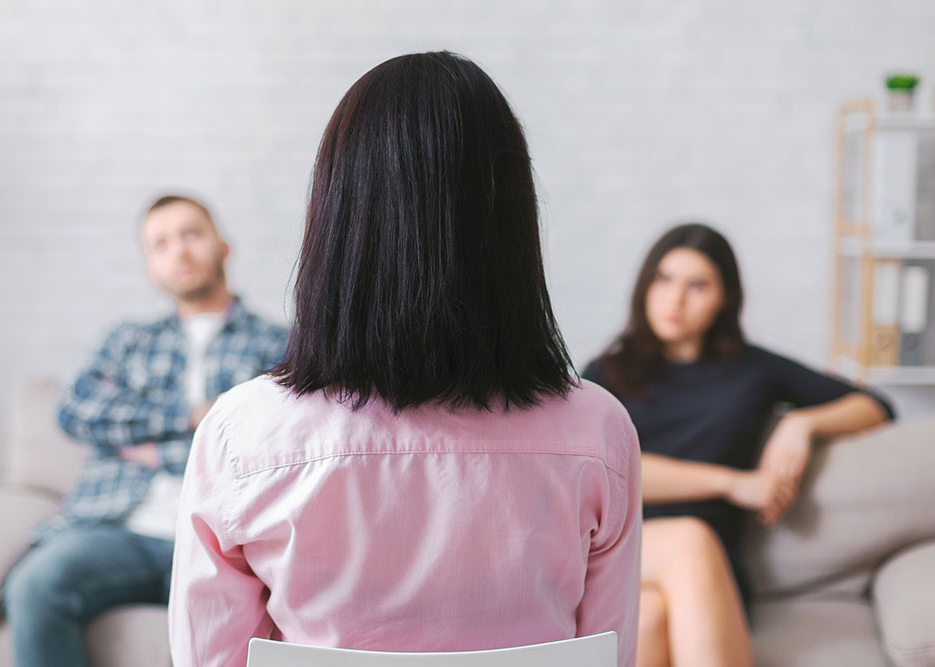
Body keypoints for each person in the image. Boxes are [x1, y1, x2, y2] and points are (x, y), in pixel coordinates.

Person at [169, 51, 642, 667]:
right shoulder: (598, 433)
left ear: (338, 219)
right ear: (511, 220)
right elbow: (610, 654)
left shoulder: (241, 437)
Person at [581, 223, 894, 667]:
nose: (675, 300)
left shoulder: (752, 371)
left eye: (698, 285)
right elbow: (596, 471)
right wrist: (732, 483)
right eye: (664, 279)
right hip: (626, 552)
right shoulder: (606, 373)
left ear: (724, 298)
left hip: (710, 573)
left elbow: (876, 405)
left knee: (651, 616)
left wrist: (801, 425)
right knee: (685, 545)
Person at [1, 194, 289, 667]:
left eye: (192, 234)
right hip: (122, 531)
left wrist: (156, 452)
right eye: (160, 244)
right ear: (150, 266)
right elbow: (76, 408)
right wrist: (192, 416)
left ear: (223, 246)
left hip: (227, 537)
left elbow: (274, 442)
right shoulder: (128, 341)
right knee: (35, 584)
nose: (179, 251)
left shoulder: (279, 344)